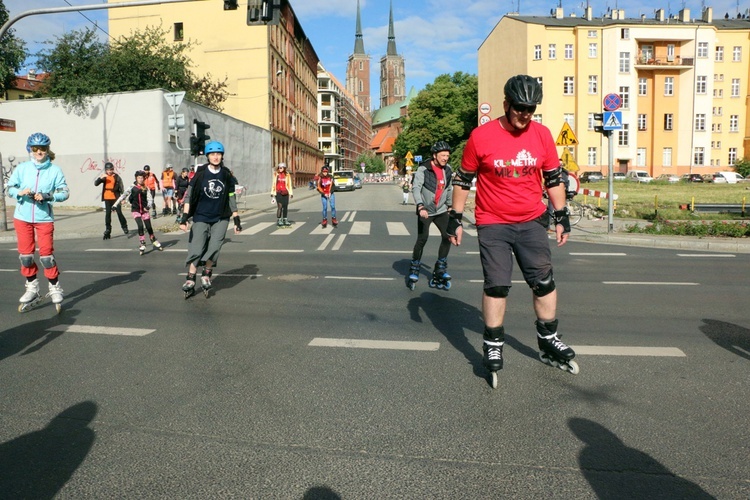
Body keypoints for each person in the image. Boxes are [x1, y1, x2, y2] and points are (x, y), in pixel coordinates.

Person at [447, 75, 577, 377]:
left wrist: (561, 215)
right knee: (497, 285)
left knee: (544, 281)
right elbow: (463, 180)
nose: (525, 115)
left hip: (532, 220)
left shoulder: (542, 135)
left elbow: (554, 177)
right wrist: (455, 218)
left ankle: (548, 339)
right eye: (519, 108)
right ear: (506, 104)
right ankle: (493, 342)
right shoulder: (481, 137)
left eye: (531, 109)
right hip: (493, 222)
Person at [7, 132, 70, 312]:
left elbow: (65, 192)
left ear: (47, 150)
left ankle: (54, 287)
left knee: (46, 257)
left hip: (44, 218)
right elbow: (9, 187)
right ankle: (32, 287)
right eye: (35, 149)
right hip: (22, 217)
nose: (39, 152)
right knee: (25, 257)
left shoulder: (55, 170)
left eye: (43, 148)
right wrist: (18, 192)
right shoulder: (22, 168)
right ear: (30, 150)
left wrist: (48, 196)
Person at [177, 141, 242, 297]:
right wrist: (184, 217)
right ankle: (191, 278)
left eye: (218, 154)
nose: (215, 157)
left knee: (214, 247)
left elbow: (231, 196)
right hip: (201, 216)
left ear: (222, 156)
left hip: (221, 217)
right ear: (207, 156)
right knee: (197, 248)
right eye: (212, 154)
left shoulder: (226, 174)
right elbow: (189, 197)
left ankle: (206, 274)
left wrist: (237, 219)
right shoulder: (200, 174)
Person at [407, 141, 455, 290]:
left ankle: (440, 266)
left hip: (441, 210)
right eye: (442, 155)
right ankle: (415, 266)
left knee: (448, 236)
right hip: (426, 210)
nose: (445, 158)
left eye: (447, 155)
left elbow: (449, 188)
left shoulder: (448, 169)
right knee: (423, 239)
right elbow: (416, 188)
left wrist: (450, 206)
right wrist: (420, 205)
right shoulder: (423, 169)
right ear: (435, 155)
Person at [128, 170, 163, 255]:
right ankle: (142, 242)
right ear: (136, 178)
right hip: (135, 210)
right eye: (138, 178)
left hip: (144, 210)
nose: (140, 179)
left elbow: (150, 199)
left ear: (143, 179)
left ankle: (153, 239)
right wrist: (115, 205)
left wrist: (148, 206)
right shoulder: (132, 187)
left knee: (149, 227)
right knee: (140, 225)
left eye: (141, 178)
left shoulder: (145, 188)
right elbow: (124, 196)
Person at [94, 162, 129, 239]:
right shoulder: (104, 177)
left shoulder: (116, 177)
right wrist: (100, 177)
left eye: (111, 169)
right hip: (107, 198)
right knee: (108, 214)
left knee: (119, 213)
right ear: (106, 170)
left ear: (113, 169)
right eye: (108, 170)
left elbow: (121, 187)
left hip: (116, 198)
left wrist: (123, 199)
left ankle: (124, 226)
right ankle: (108, 229)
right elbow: (96, 184)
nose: (109, 171)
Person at [271, 162, 294, 227]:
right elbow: (273, 183)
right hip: (278, 192)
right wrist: (272, 193)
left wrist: (291, 193)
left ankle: (285, 219)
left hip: (285, 192)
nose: (280, 169)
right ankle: (279, 219)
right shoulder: (276, 174)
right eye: (279, 168)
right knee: (280, 206)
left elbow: (289, 184)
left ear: (284, 168)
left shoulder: (287, 174)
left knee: (285, 206)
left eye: (282, 168)